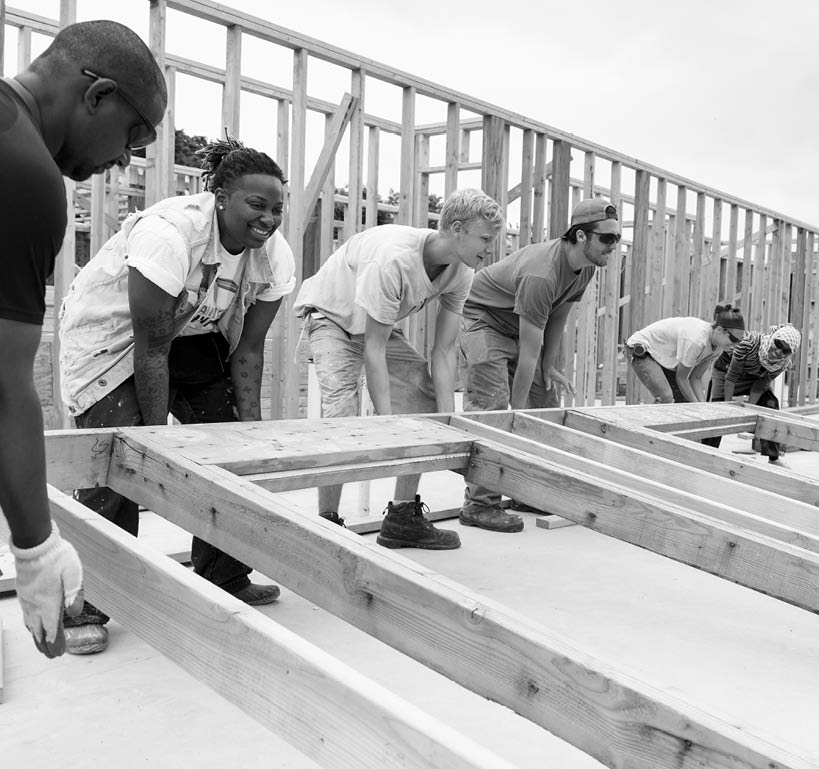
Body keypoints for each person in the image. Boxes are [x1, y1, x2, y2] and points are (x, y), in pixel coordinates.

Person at [58, 136, 294, 654]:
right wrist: (150, 438)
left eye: (278, 207)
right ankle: (84, 603)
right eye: (257, 204)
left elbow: (249, 352)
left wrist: (246, 435)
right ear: (220, 196)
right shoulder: (170, 235)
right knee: (115, 461)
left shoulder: (273, 256)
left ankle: (224, 574)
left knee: (229, 455)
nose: (269, 218)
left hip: (192, 337)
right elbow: (150, 351)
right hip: (115, 342)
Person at [1, 20, 166, 659]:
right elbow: (3, 384)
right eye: (133, 134)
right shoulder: (25, 178)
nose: (126, 158)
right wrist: (37, 549)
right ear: (95, 95)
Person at [294, 188, 503, 549]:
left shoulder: (461, 272)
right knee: (341, 415)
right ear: (456, 229)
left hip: (379, 326)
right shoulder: (393, 259)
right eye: (485, 239)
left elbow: (444, 350)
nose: (489, 248)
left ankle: (403, 519)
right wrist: (387, 422)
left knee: (422, 409)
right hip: (333, 319)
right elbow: (372, 349)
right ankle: (327, 522)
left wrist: (446, 421)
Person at [458, 198, 622, 533]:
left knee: (545, 405)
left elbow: (558, 315)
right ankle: (479, 504)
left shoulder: (585, 267)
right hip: (485, 321)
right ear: (580, 236)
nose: (613, 247)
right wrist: (517, 409)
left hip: (519, 324)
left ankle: (523, 490)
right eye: (607, 239)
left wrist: (549, 367)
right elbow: (528, 352)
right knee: (495, 410)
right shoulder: (542, 273)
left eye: (617, 239)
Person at [704, 323, 802, 462]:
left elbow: (759, 386)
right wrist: (727, 406)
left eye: (785, 350)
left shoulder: (781, 364)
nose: (779, 351)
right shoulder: (748, 343)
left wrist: (749, 410)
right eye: (778, 344)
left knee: (770, 403)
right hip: (726, 369)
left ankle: (773, 458)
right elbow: (731, 377)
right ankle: (707, 452)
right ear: (773, 338)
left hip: (754, 376)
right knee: (717, 409)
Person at [626, 305, 745, 404]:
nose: (734, 346)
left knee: (683, 401)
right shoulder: (696, 340)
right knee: (665, 397)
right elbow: (682, 378)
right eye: (733, 339)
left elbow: (695, 378)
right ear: (719, 329)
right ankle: (648, 430)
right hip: (643, 349)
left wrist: (703, 407)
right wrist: (697, 407)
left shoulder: (718, 348)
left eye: (738, 341)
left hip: (662, 357)